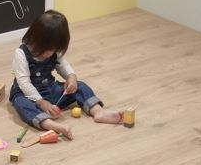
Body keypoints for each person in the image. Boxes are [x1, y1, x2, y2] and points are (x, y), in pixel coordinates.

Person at [10, 10, 124, 138]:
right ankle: (49, 124)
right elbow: (24, 83)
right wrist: (41, 102)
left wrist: (71, 77)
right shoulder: (21, 54)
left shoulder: (54, 50)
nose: (52, 53)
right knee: (21, 103)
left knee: (80, 86)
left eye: (55, 49)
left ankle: (98, 112)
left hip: (51, 90)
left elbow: (63, 65)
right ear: (37, 40)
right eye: (50, 49)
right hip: (28, 95)